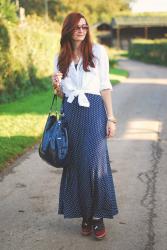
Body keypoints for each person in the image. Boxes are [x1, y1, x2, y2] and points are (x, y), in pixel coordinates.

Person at [52, 12, 118, 240]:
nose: (81, 30)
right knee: (77, 164)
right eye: (76, 27)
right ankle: (85, 216)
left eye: (85, 26)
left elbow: (105, 85)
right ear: (68, 30)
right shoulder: (60, 56)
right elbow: (61, 93)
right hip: (71, 112)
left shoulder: (98, 52)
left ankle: (98, 215)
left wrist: (111, 118)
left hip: (93, 111)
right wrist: (57, 86)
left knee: (94, 163)